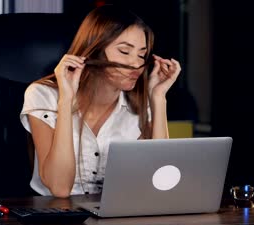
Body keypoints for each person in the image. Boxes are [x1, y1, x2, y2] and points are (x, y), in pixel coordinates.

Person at [20, 5, 181, 198]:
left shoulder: (140, 102)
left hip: (116, 215)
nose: (136, 64)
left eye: (141, 54)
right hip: (56, 218)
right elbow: (60, 188)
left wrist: (158, 98)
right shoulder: (42, 95)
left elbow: (161, 183)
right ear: (95, 49)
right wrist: (66, 100)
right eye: (124, 51)